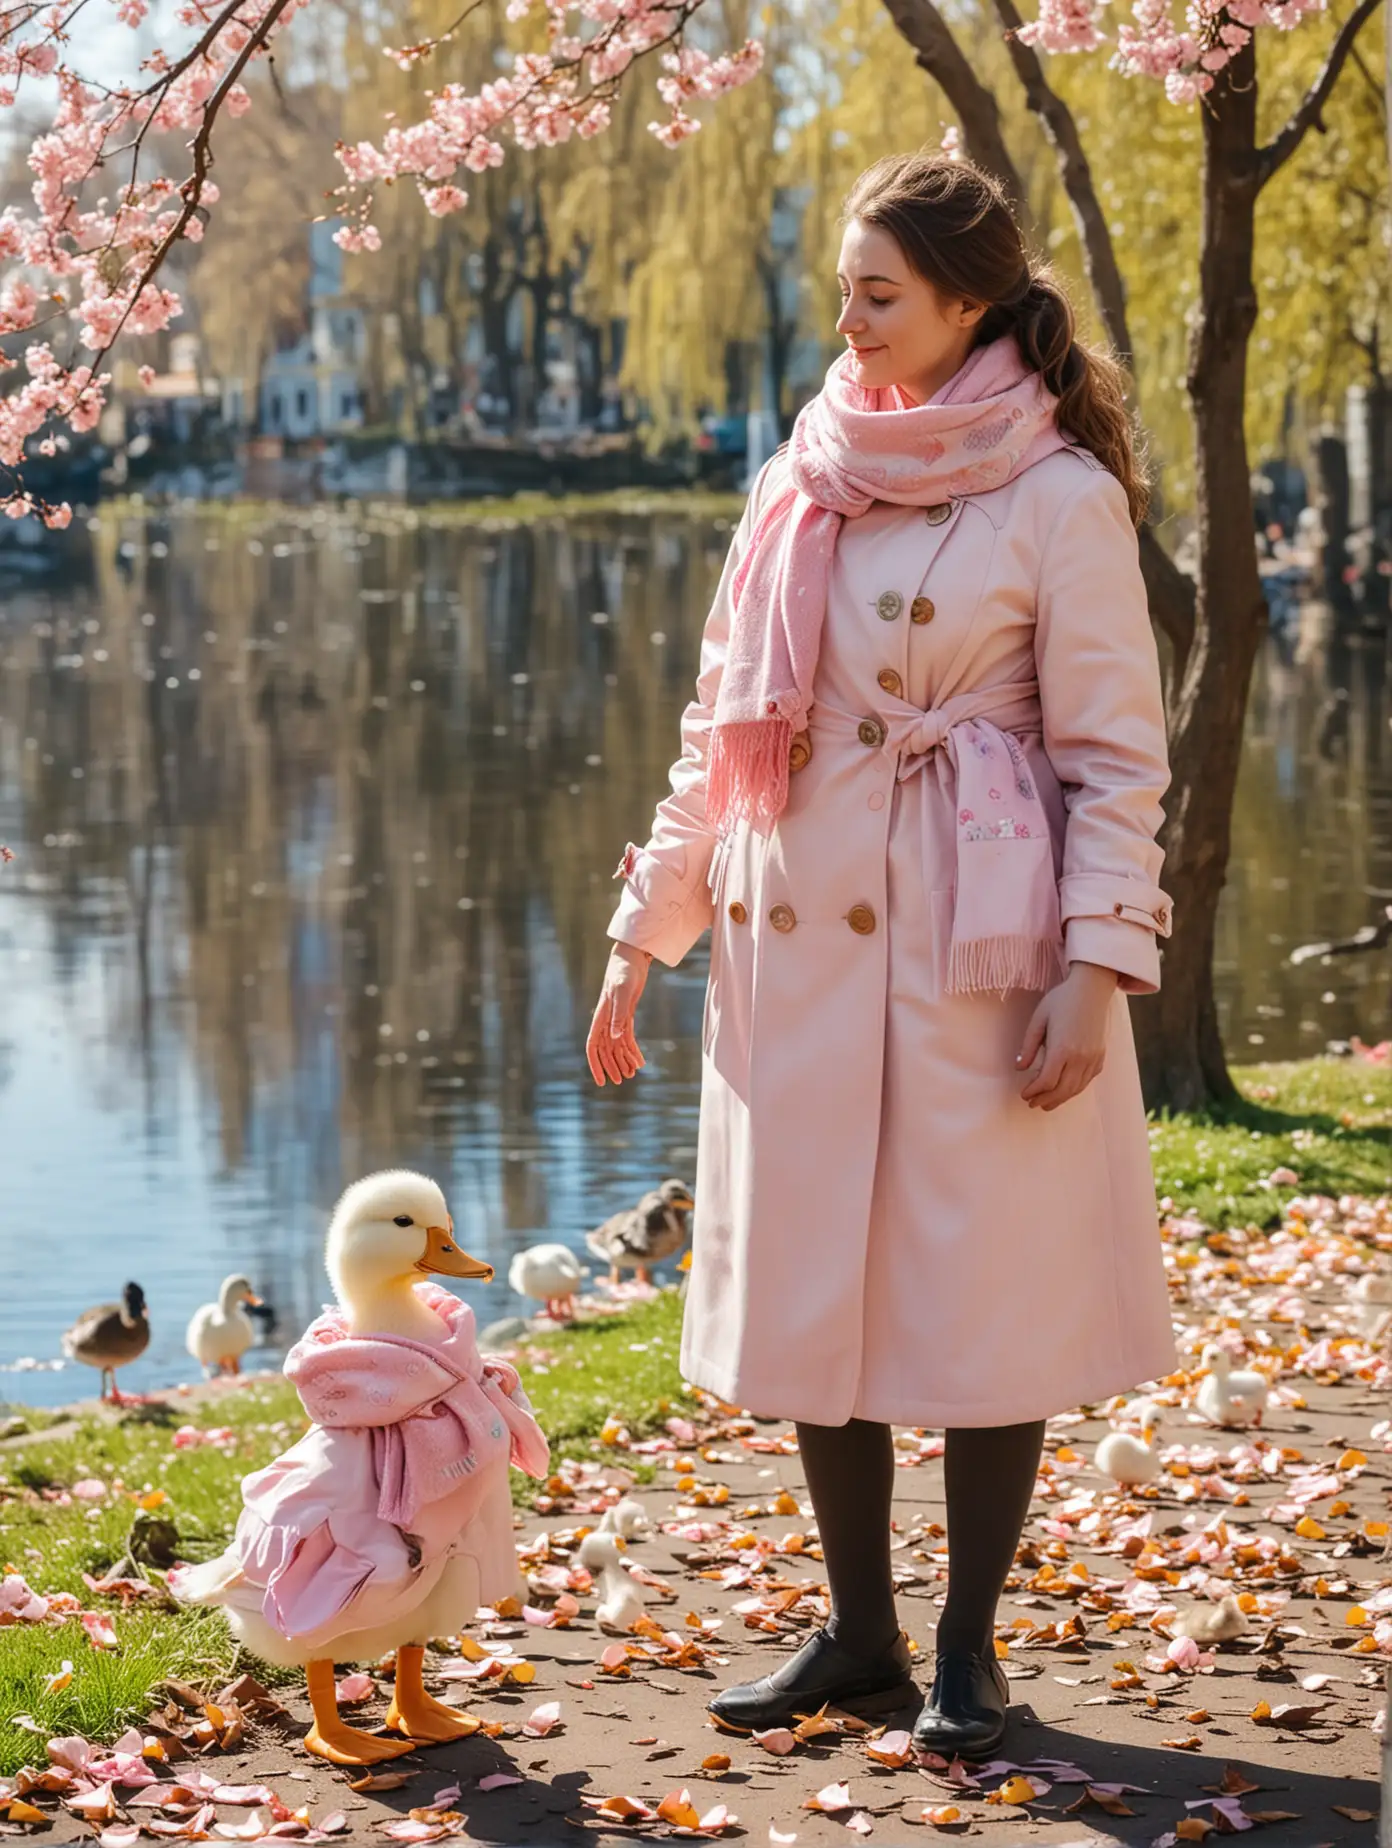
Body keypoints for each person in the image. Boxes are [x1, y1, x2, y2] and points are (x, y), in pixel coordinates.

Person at [585, 150, 1176, 1760]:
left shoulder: (1060, 498)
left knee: (986, 1294)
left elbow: (1117, 760)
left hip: (976, 935)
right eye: (842, 287)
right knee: (812, 1292)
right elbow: (725, 724)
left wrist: (1095, 964)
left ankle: (971, 1654)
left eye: (876, 292)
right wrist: (649, 934)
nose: (843, 318)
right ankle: (858, 1634)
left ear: (967, 304)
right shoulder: (802, 475)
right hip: (797, 931)